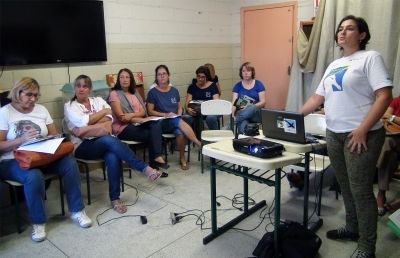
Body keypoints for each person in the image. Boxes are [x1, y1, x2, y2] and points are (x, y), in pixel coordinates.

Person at [299, 15, 392, 258]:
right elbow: (316, 99)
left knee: (361, 190)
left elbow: (384, 96)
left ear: (362, 35)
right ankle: (352, 228)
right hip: (334, 134)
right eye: (340, 29)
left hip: (362, 136)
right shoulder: (333, 65)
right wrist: (294, 116)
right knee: (345, 186)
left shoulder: (371, 58)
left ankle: (366, 246)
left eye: (350, 28)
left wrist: (362, 129)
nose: (343, 32)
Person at [0, 77, 92, 242]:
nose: (33, 99)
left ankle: (77, 211)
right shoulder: (5, 112)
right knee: (33, 176)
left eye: (36, 95)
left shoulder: (41, 110)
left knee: (70, 164)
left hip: (42, 156)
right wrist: (20, 140)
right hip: (12, 160)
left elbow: (52, 133)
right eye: (29, 95)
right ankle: (38, 221)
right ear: (18, 93)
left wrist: (53, 137)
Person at [64, 75, 161, 214]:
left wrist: (90, 126)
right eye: (78, 86)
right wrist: (101, 116)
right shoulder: (69, 106)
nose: (81, 89)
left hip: (102, 142)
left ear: (90, 89)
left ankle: (115, 198)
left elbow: (109, 123)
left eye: (85, 86)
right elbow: (80, 128)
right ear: (74, 88)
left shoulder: (97, 101)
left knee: (112, 155)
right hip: (82, 146)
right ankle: (144, 168)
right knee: (109, 140)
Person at [108, 68, 168, 170]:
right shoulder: (114, 94)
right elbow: (121, 117)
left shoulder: (134, 92)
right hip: (123, 128)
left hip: (138, 123)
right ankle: (155, 164)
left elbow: (143, 111)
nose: (125, 79)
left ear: (131, 79)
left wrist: (132, 116)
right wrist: (137, 118)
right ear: (118, 79)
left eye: (127, 77)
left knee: (156, 124)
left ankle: (156, 160)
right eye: (122, 77)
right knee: (152, 134)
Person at [147, 64, 201, 170]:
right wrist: (165, 115)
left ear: (168, 75)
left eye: (164, 74)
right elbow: (150, 111)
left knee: (180, 133)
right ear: (156, 77)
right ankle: (198, 143)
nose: (162, 76)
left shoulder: (174, 90)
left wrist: (179, 113)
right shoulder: (152, 92)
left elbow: (179, 106)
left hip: (175, 120)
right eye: (159, 74)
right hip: (161, 123)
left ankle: (182, 158)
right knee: (178, 121)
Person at [376, 96, 400, 215]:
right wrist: (393, 119)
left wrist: (393, 118)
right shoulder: (397, 100)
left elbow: (389, 116)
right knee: (389, 156)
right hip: (394, 137)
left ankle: (375, 168)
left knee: (387, 144)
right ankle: (381, 193)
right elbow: (385, 115)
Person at [231, 62, 266, 134]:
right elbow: (234, 102)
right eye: (243, 71)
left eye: (248, 71)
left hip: (256, 114)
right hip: (243, 114)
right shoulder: (237, 86)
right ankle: (244, 138)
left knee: (252, 107)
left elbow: (263, 102)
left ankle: (232, 124)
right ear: (241, 73)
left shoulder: (258, 84)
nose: (246, 73)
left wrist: (250, 106)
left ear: (252, 72)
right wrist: (232, 113)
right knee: (243, 126)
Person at [185, 65, 220, 130]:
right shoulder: (192, 87)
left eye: (203, 77)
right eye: (198, 76)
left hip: (210, 111)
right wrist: (188, 109)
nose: (200, 79)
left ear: (206, 77)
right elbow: (187, 103)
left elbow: (216, 102)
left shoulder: (212, 86)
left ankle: (216, 137)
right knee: (186, 117)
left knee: (210, 118)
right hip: (196, 111)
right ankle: (195, 138)